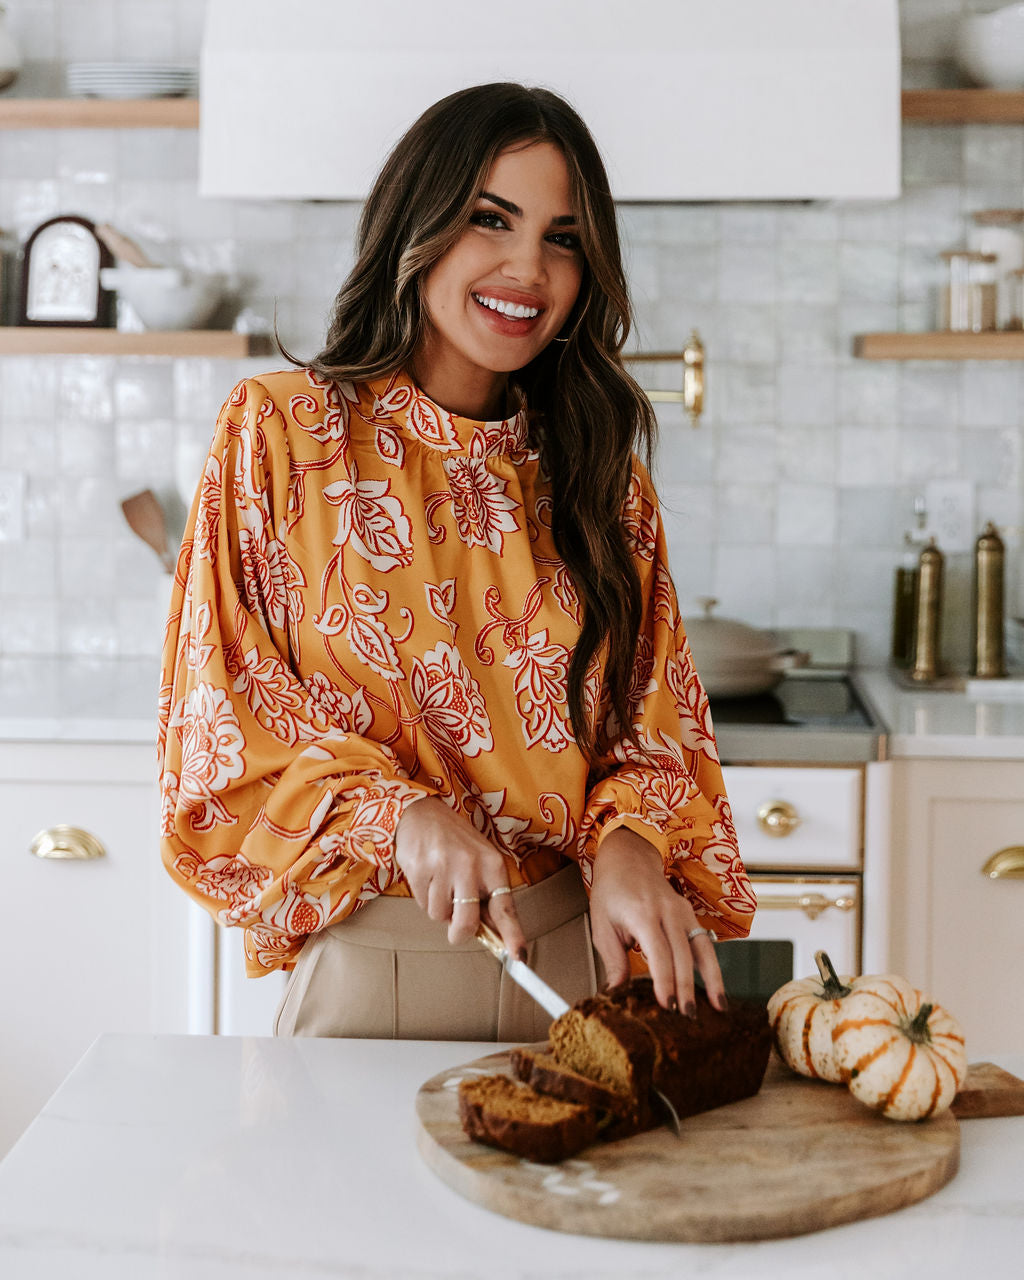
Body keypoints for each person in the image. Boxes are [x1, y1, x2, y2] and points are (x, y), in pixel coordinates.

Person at [157, 82, 756, 1041]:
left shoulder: (601, 478)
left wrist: (636, 842)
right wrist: (398, 815)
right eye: (491, 220)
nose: (529, 267)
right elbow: (218, 730)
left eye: (563, 238)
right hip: (374, 961)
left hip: (575, 966)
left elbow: (655, 726)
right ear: (417, 223)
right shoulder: (279, 433)